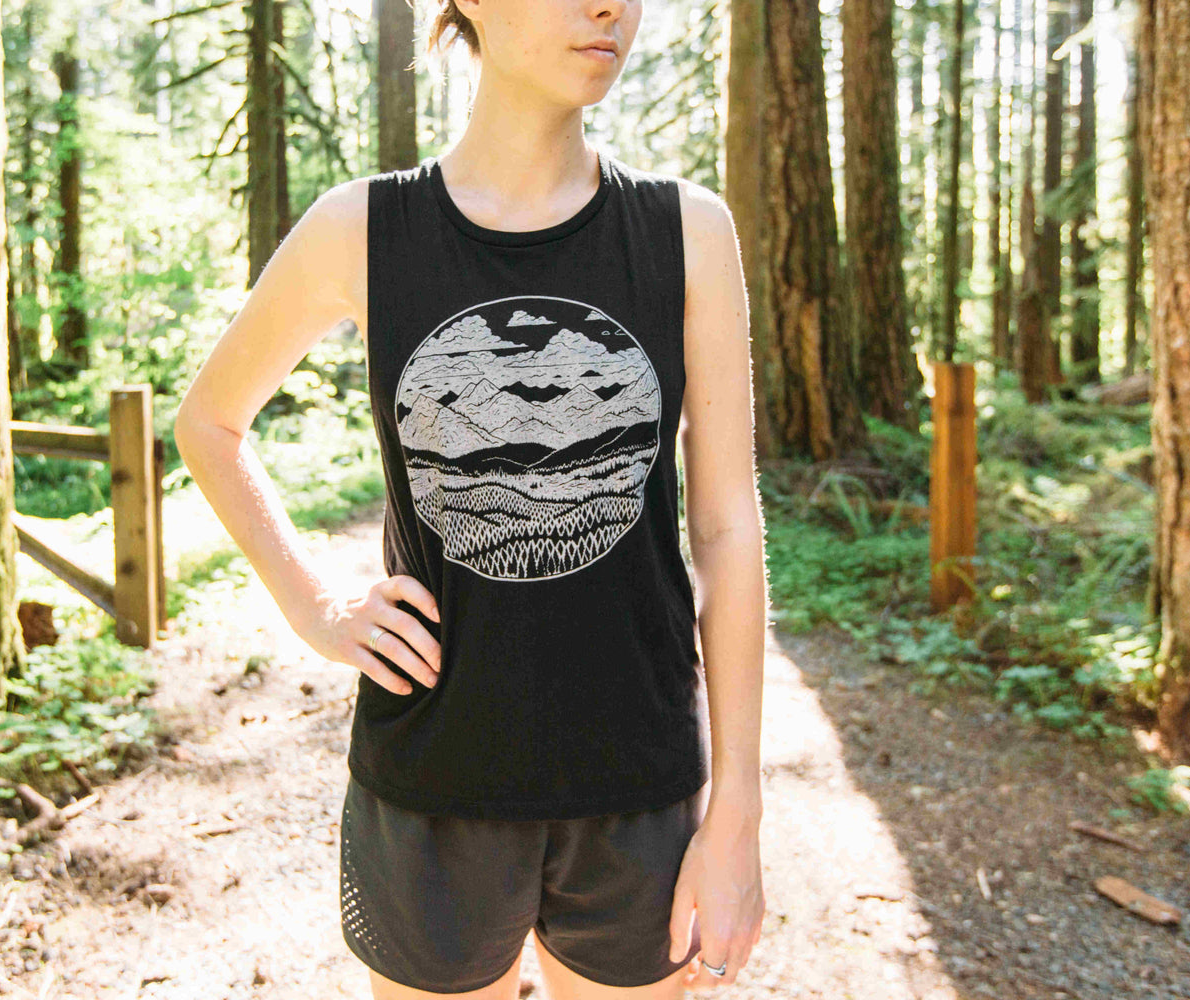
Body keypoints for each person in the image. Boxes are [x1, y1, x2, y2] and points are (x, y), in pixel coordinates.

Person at [174, 0, 768, 995]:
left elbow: (725, 522)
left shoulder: (686, 231)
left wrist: (738, 813)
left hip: (640, 786)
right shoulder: (364, 229)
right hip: (430, 788)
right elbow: (211, 424)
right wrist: (318, 608)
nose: (610, 7)